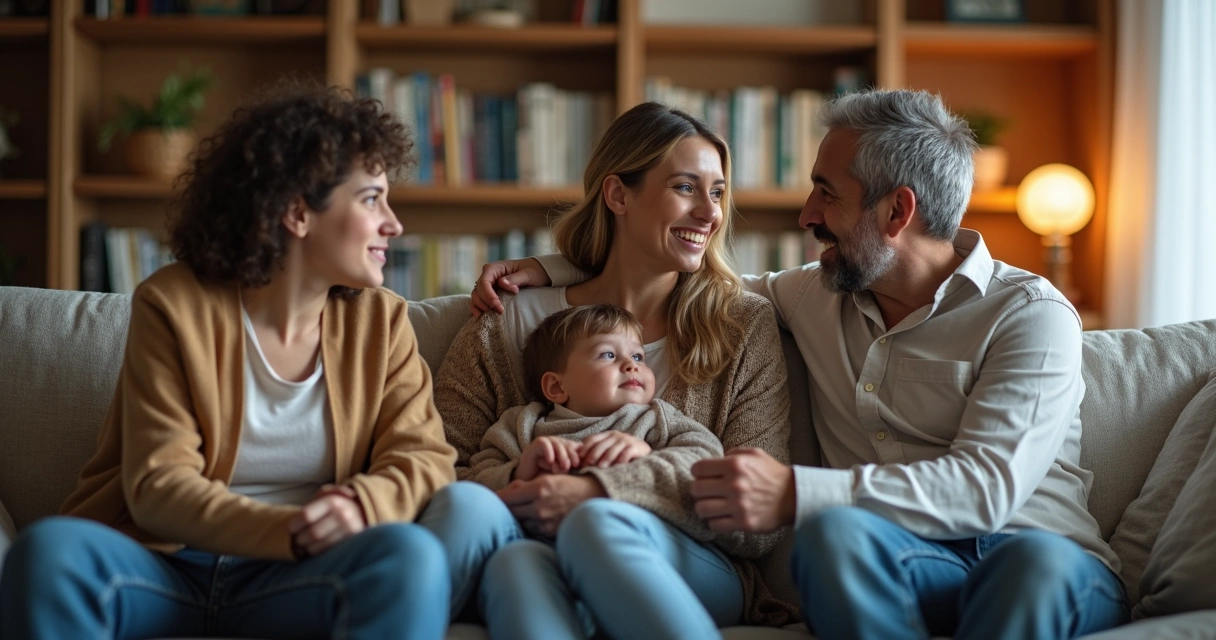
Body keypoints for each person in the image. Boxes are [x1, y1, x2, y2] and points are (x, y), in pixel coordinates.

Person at [470, 89, 1128, 640]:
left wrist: (794, 493)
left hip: (1035, 551)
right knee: (833, 538)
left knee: (1027, 571)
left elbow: (987, 490)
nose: (807, 214)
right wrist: (552, 269)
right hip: (905, 556)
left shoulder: (1030, 314)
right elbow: (681, 267)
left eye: (826, 193)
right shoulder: (815, 291)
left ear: (897, 211)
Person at [0, 82, 458, 640]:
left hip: (300, 579)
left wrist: (364, 506)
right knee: (49, 552)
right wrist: (290, 528)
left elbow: (425, 457)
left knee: (409, 557)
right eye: (370, 199)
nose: (394, 223)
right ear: (297, 212)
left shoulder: (382, 323)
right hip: (162, 567)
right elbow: (158, 486)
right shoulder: (174, 304)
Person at [420, 101, 795, 639]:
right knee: (510, 562)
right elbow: (443, 468)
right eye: (686, 187)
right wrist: (520, 481)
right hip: (532, 545)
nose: (710, 213)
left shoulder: (739, 325)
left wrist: (606, 487)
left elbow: (757, 518)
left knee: (595, 524)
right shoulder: (508, 318)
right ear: (618, 195)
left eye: (717, 193)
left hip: (686, 562)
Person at [471, 304, 725, 540]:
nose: (630, 365)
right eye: (608, 354)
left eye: (638, 357)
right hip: (538, 548)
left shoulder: (655, 419)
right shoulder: (523, 424)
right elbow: (477, 477)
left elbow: (708, 457)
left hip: (628, 540)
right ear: (557, 386)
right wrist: (518, 472)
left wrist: (646, 453)